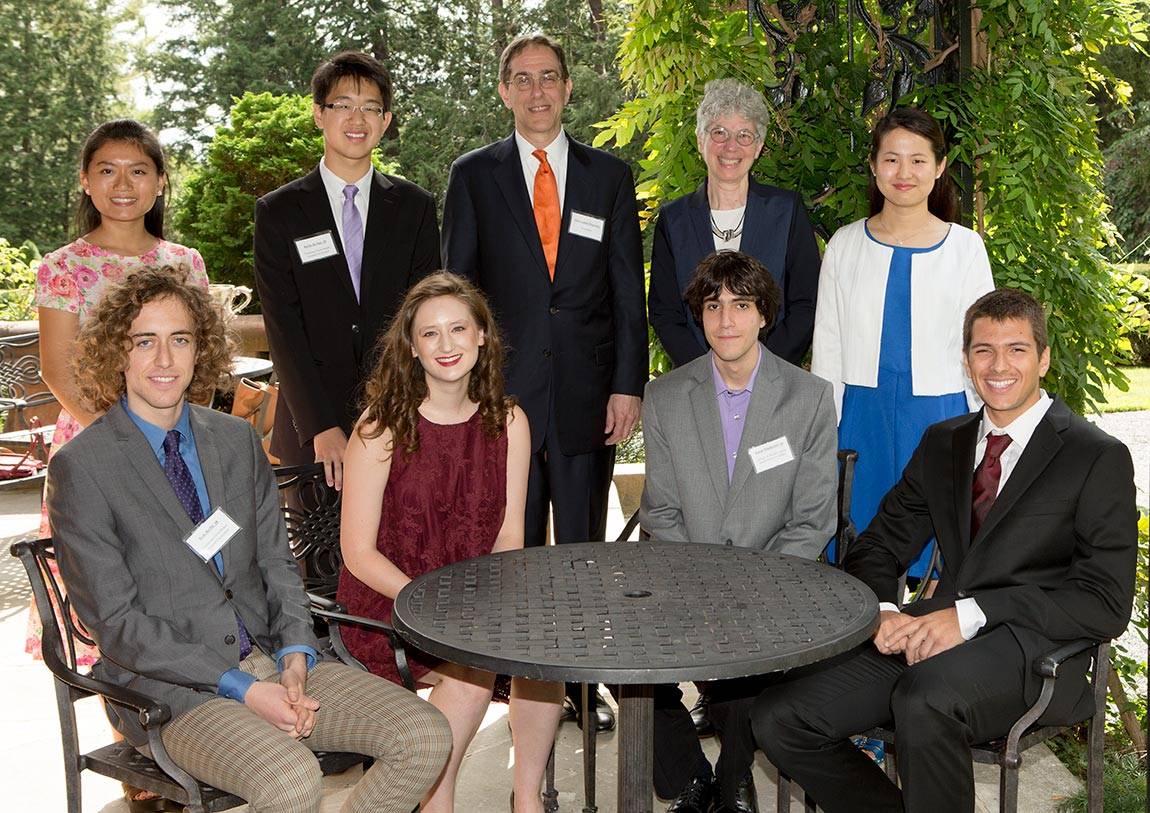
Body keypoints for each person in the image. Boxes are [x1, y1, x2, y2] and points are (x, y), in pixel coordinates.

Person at [45, 267, 452, 813]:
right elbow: (119, 625)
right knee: (289, 781)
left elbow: (278, 564)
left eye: (180, 339)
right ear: (116, 352)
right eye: (145, 341)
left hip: (271, 658)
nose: (165, 360)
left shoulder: (235, 440)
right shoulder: (83, 467)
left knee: (424, 734)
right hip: (175, 693)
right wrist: (243, 687)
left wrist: (295, 651)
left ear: (200, 350)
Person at [752, 288, 1138, 813]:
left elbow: (1106, 603)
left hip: (1036, 652)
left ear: (1044, 359)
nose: (998, 365)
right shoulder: (945, 442)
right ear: (966, 360)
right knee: (780, 716)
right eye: (984, 350)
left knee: (925, 697)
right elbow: (878, 544)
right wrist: (883, 612)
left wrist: (972, 614)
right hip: (933, 635)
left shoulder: (1095, 456)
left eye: (1017, 349)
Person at [441, 32, 646, 730]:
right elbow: (458, 295)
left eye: (549, 77)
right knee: (515, 550)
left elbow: (627, 292)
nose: (537, 91)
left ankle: (585, 685)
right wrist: (468, 396)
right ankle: (522, 683)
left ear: (567, 87)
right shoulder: (474, 176)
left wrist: (629, 383)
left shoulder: (608, 177)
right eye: (522, 79)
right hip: (506, 403)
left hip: (591, 398)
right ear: (504, 91)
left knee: (585, 551)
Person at [336, 272, 563, 812]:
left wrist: (496, 608)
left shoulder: (510, 421)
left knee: (545, 659)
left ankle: (526, 800)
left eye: (458, 329)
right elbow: (357, 553)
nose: (446, 345)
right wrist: (431, 603)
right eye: (430, 334)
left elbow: (509, 535)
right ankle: (438, 805)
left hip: (475, 600)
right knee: (472, 678)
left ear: (482, 336)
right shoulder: (380, 427)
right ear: (411, 347)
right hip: (390, 605)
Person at [638, 251, 838, 812]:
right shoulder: (666, 397)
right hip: (684, 579)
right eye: (713, 306)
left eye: (741, 305)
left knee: (748, 675)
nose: (727, 320)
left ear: (764, 315)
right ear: (699, 317)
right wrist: (704, 586)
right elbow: (662, 512)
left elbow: (813, 518)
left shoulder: (809, 398)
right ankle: (695, 781)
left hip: (775, 586)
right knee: (627, 671)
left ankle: (730, 783)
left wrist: (749, 589)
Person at [812, 106, 994, 582]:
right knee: (859, 556)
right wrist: (823, 435)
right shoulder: (844, 245)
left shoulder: (965, 248)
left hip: (941, 417)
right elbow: (827, 352)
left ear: (939, 167)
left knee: (939, 561)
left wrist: (985, 430)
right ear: (873, 166)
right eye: (892, 159)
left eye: (918, 160)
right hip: (861, 420)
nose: (904, 172)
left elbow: (984, 346)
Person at [254, 50, 439, 488]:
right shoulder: (280, 212)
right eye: (343, 105)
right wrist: (320, 425)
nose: (357, 119)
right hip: (311, 433)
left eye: (370, 107)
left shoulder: (414, 207)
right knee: (317, 556)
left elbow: (425, 314)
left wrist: (405, 410)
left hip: (401, 423)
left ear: (386, 120)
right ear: (319, 114)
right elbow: (283, 327)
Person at [648, 78, 821, 368]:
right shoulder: (674, 219)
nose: (731, 147)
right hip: (698, 383)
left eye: (744, 135)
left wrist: (762, 370)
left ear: (758, 147)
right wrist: (707, 375)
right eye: (719, 133)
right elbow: (666, 314)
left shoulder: (787, 211)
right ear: (701, 140)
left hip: (773, 379)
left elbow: (806, 304)